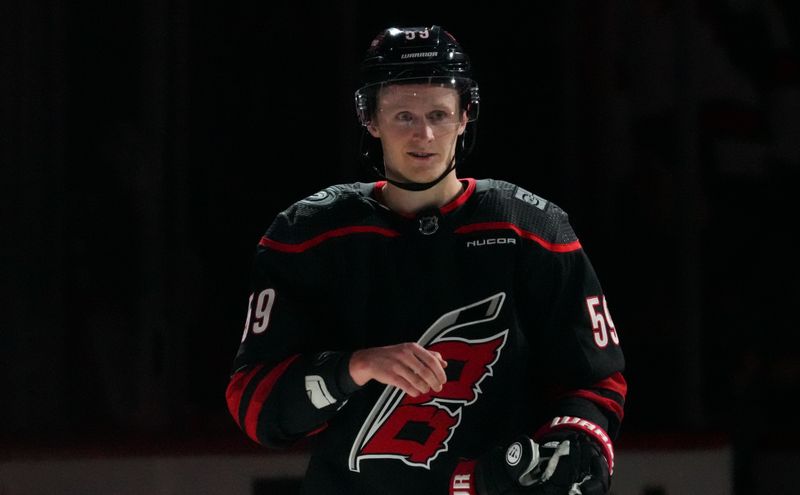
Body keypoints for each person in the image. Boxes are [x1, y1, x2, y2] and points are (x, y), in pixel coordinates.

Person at [225, 25, 627, 495]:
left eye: (439, 113)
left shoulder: (532, 230)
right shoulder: (307, 236)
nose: (425, 134)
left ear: (465, 115)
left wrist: (572, 443)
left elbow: (597, 380)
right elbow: (255, 405)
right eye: (403, 116)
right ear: (369, 118)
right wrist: (353, 367)